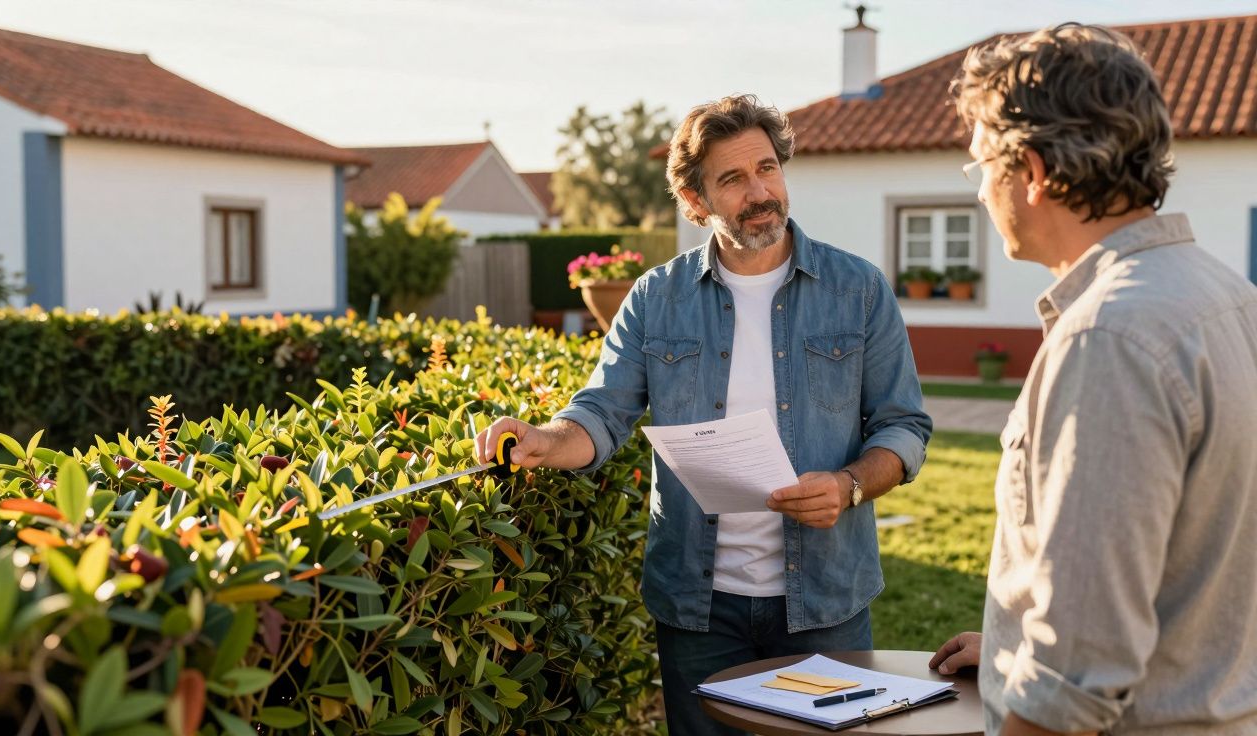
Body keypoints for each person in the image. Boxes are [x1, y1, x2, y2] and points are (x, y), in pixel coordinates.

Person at [476, 94, 931, 735]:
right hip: (698, 606)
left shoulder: (858, 289)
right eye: (733, 179)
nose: (760, 190)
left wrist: (850, 485)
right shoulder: (655, 299)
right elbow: (602, 413)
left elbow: (904, 427)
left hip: (826, 599)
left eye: (768, 168)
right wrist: (546, 441)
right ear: (696, 202)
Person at [927, 23, 1257, 736]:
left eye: (983, 164)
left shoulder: (1109, 337)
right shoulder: (1228, 297)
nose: (982, 191)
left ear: (1036, 173)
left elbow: (1076, 678)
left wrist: (1042, 676)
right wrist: (1011, 649)